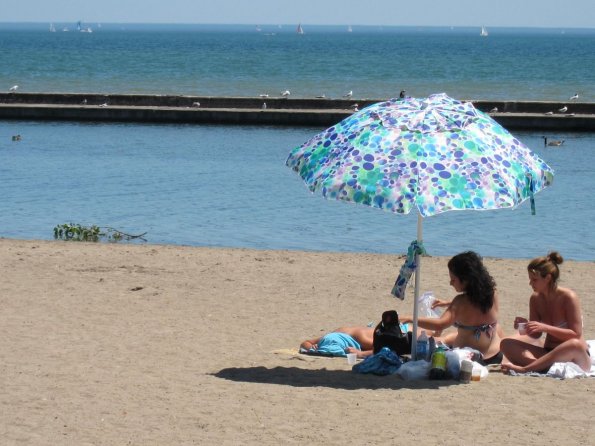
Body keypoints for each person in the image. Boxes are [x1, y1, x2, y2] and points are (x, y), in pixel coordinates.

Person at [400, 251, 503, 365]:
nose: (450, 283)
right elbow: (474, 306)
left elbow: (440, 324)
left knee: (441, 340)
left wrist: (410, 318)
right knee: (496, 327)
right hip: (494, 355)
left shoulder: (460, 302)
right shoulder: (492, 294)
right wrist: (448, 303)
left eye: (453, 279)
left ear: (466, 280)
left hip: (469, 357)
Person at [500, 252, 591, 374]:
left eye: (534, 280)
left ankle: (527, 368)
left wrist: (546, 327)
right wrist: (527, 326)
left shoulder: (568, 297)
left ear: (548, 278)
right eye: (530, 279)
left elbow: (575, 334)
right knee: (506, 344)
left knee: (574, 344)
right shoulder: (535, 299)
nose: (530, 283)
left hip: (574, 354)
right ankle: (542, 367)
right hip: (548, 351)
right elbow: (536, 335)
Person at [300, 326, 374, 358]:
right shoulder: (327, 338)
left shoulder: (362, 339)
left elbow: (384, 348)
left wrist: (361, 353)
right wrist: (312, 348)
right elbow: (305, 343)